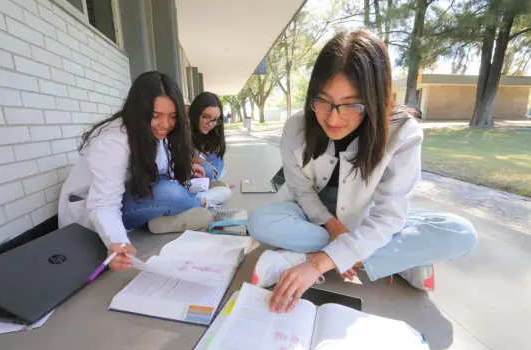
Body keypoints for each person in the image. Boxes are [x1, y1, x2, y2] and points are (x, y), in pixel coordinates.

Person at [246, 30, 478, 313]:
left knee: (461, 233)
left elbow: (388, 216)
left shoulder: (402, 132)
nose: (333, 118)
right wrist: (334, 229)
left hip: (366, 218)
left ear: (374, 99)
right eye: (323, 100)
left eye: (352, 105)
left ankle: (296, 259)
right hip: (312, 215)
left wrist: (319, 262)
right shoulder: (296, 127)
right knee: (259, 221)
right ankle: (396, 261)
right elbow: (302, 191)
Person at [58, 71, 230, 271]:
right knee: (169, 192)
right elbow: (103, 204)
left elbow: (162, 168)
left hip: (130, 194)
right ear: (139, 110)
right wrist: (117, 242)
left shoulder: (156, 131)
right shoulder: (112, 141)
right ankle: (202, 201)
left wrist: (188, 168)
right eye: (156, 116)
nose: (165, 125)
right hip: (90, 214)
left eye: (172, 117)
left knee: (172, 185)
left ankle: (161, 219)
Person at [189, 92, 227, 181]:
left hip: (199, 162)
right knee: (207, 170)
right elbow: (187, 158)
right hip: (185, 167)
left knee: (218, 158)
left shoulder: (211, 129)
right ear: (196, 113)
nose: (210, 124)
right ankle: (213, 182)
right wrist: (204, 162)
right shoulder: (185, 128)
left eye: (215, 119)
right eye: (206, 117)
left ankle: (213, 181)